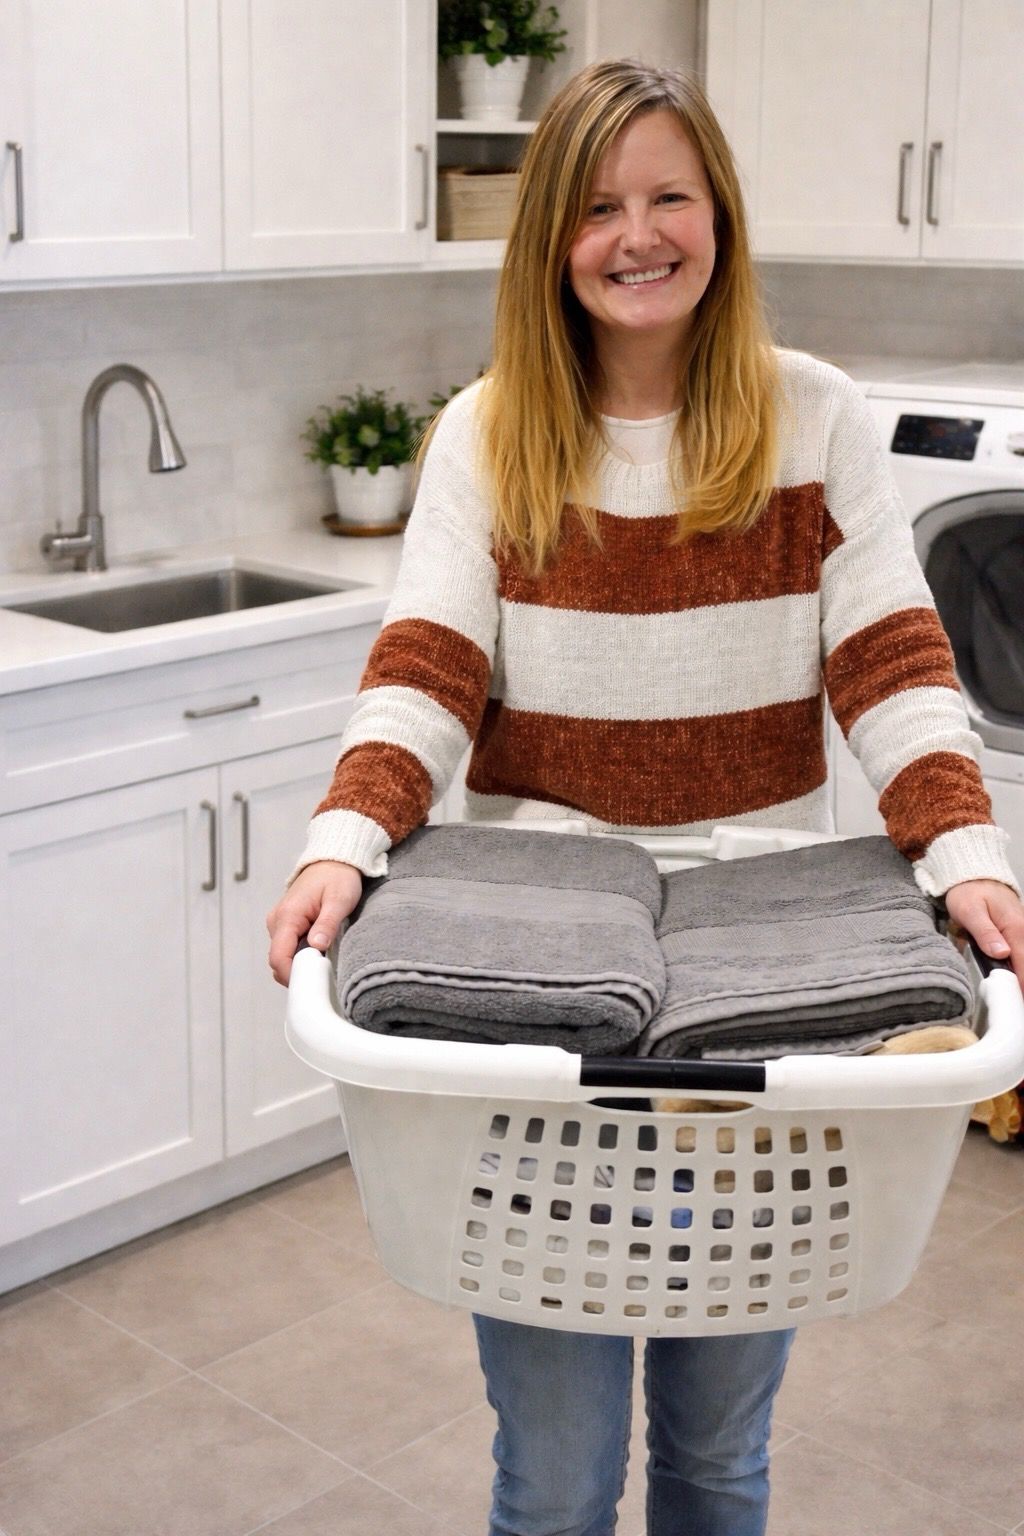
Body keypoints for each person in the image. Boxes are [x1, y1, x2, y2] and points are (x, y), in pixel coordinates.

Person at [268, 58, 1024, 1536]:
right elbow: (424, 668)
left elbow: (893, 662)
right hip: (534, 982)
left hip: (761, 970)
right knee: (549, 1483)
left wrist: (966, 855)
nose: (639, 234)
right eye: (600, 206)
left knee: (717, 1464)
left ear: (721, 217)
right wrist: (344, 844)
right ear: (552, 236)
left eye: (670, 195)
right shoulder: (490, 430)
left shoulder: (817, 419)